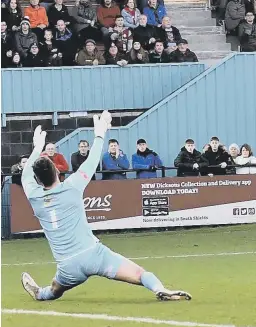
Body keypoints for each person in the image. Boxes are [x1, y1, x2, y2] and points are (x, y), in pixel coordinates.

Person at [20, 112, 191, 302]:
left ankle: (41, 294)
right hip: (95, 256)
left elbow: (25, 175)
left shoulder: (34, 196)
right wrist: (100, 134)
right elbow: (92, 160)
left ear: (38, 180)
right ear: (57, 171)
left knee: (55, 290)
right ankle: (160, 288)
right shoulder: (72, 185)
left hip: (68, 267)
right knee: (140, 274)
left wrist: (36, 148)